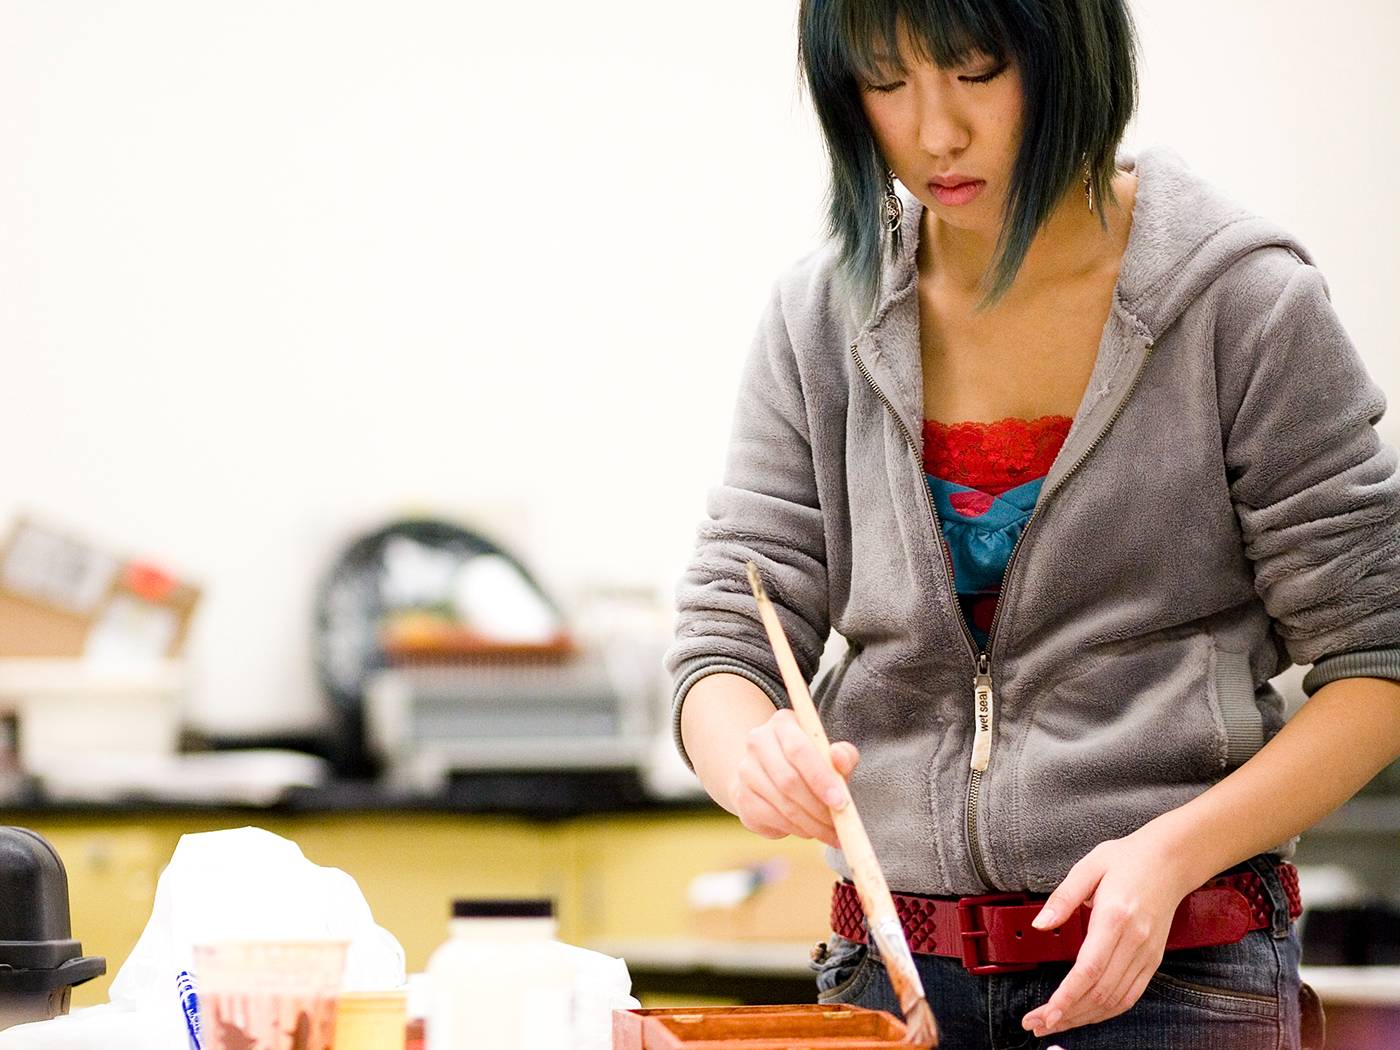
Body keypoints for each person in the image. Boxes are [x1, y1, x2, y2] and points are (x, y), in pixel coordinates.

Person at [661, 2, 1400, 1047]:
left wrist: (1171, 853)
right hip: (890, 974)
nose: (933, 131)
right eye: (885, 83)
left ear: (1070, 57)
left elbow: (1376, 663)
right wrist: (749, 756)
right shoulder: (819, 316)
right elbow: (721, 638)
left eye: (972, 72)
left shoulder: (1245, 307)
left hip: (1177, 971)